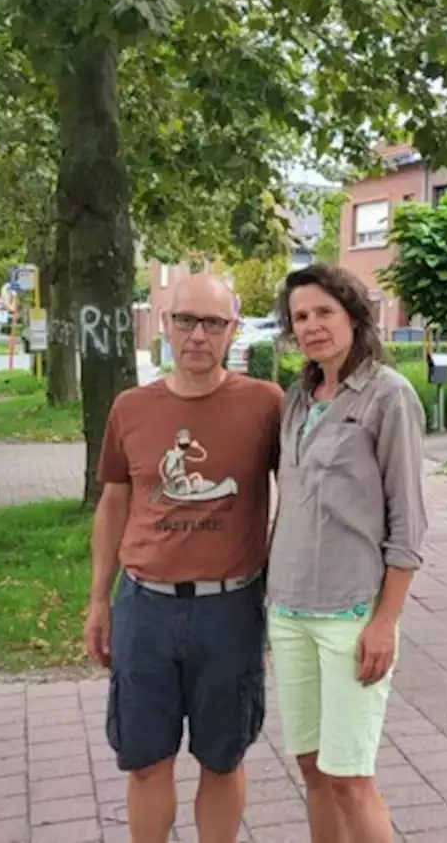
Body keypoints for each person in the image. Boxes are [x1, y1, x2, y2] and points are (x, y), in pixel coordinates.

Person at [85, 274, 283, 843]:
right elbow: (115, 503)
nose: (199, 335)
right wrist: (100, 600)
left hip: (231, 609)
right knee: (145, 758)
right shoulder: (131, 408)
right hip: (146, 606)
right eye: (186, 321)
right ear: (165, 325)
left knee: (224, 758)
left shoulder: (266, 404)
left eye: (214, 323)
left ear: (233, 330)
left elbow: (304, 493)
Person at [266, 263, 428, 843]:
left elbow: (409, 524)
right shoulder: (297, 399)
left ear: (355, 316)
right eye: (300, 317)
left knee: (349, 776)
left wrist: (386, 622)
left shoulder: (389, 397)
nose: (311, 326)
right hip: (288, 611)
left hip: (350, 616)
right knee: (312, 768)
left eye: (324, 312)